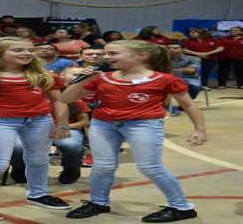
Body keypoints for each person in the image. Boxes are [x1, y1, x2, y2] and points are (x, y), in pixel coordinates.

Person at [61, 40, 207, 222]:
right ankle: (98, 202)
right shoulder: (102, 77)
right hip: (103, 124)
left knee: (150, 167)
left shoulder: (164, 79)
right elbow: (66, 98)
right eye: (106, 53)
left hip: (143, 125)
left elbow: (188, 104)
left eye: (113, 53)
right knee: (103, 166)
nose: (106, 57)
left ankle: (181, 206)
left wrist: (199, 129)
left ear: (141, 56)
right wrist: (85, 79)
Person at [0, 37, 71, 222]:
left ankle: (37, 194)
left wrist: (62, 125)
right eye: (18, 50)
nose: (26, 53)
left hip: (39, 120)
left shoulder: (43, 75)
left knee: (39, 159)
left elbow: (59, 101)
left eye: (30, 50)